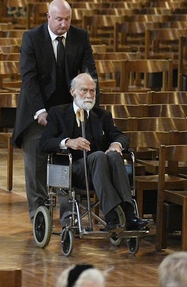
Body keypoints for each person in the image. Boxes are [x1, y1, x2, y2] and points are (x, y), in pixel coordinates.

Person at [12, 0, 97, 222]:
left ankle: (69, 216)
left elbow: (89, 73)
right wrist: (40, 111)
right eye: (59, 19)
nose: (63, 24)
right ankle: (39, 216)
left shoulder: (80, 37)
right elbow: (29, 79)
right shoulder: (32, 38)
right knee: (36, 164)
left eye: (67, 19)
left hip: (67, 110)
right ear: (48, 17)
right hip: (36, 110)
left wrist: (85, 103)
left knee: (69, 161)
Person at [41, 73, 149, 233]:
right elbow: (44, 142)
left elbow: (120, 136)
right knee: (99, 156)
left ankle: (129, 215)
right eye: (84, 90)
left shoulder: (102, 115)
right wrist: (68, 142)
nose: (89, 95)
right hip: (73, 170)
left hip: (101, 170)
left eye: (92, 91)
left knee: (113, 155)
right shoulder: (58, 113)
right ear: (73, 92)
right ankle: (112, 216)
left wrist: (116, 144)